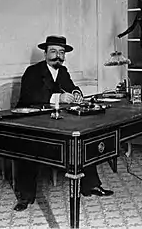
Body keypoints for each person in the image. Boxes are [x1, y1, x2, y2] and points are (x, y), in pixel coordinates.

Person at [14, 35, 114, 211]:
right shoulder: (32, 72)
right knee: (28, 149)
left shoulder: (63, 71)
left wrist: (76, 93)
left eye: (61, 52)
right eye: (53, 51)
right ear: (45, 53)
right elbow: (29, 97)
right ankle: (25, 197)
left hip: (56, 120)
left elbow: (72, 87)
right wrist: (57, 97)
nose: (57, 56)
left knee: (85, 138)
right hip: (31, 121)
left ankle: (90, 185)